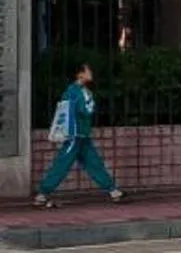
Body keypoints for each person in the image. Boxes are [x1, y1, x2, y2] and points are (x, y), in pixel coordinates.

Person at [35, 62, 123, 208]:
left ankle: (113, 190)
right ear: (80, 74)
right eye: (88, 70)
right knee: (62, 163)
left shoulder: (82, 91)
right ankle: (43, 193)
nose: (91, 73)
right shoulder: (74, 91)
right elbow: (82, 111)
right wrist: (88, 103)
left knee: (94, 163)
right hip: (74, 135)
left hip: (82, 134)